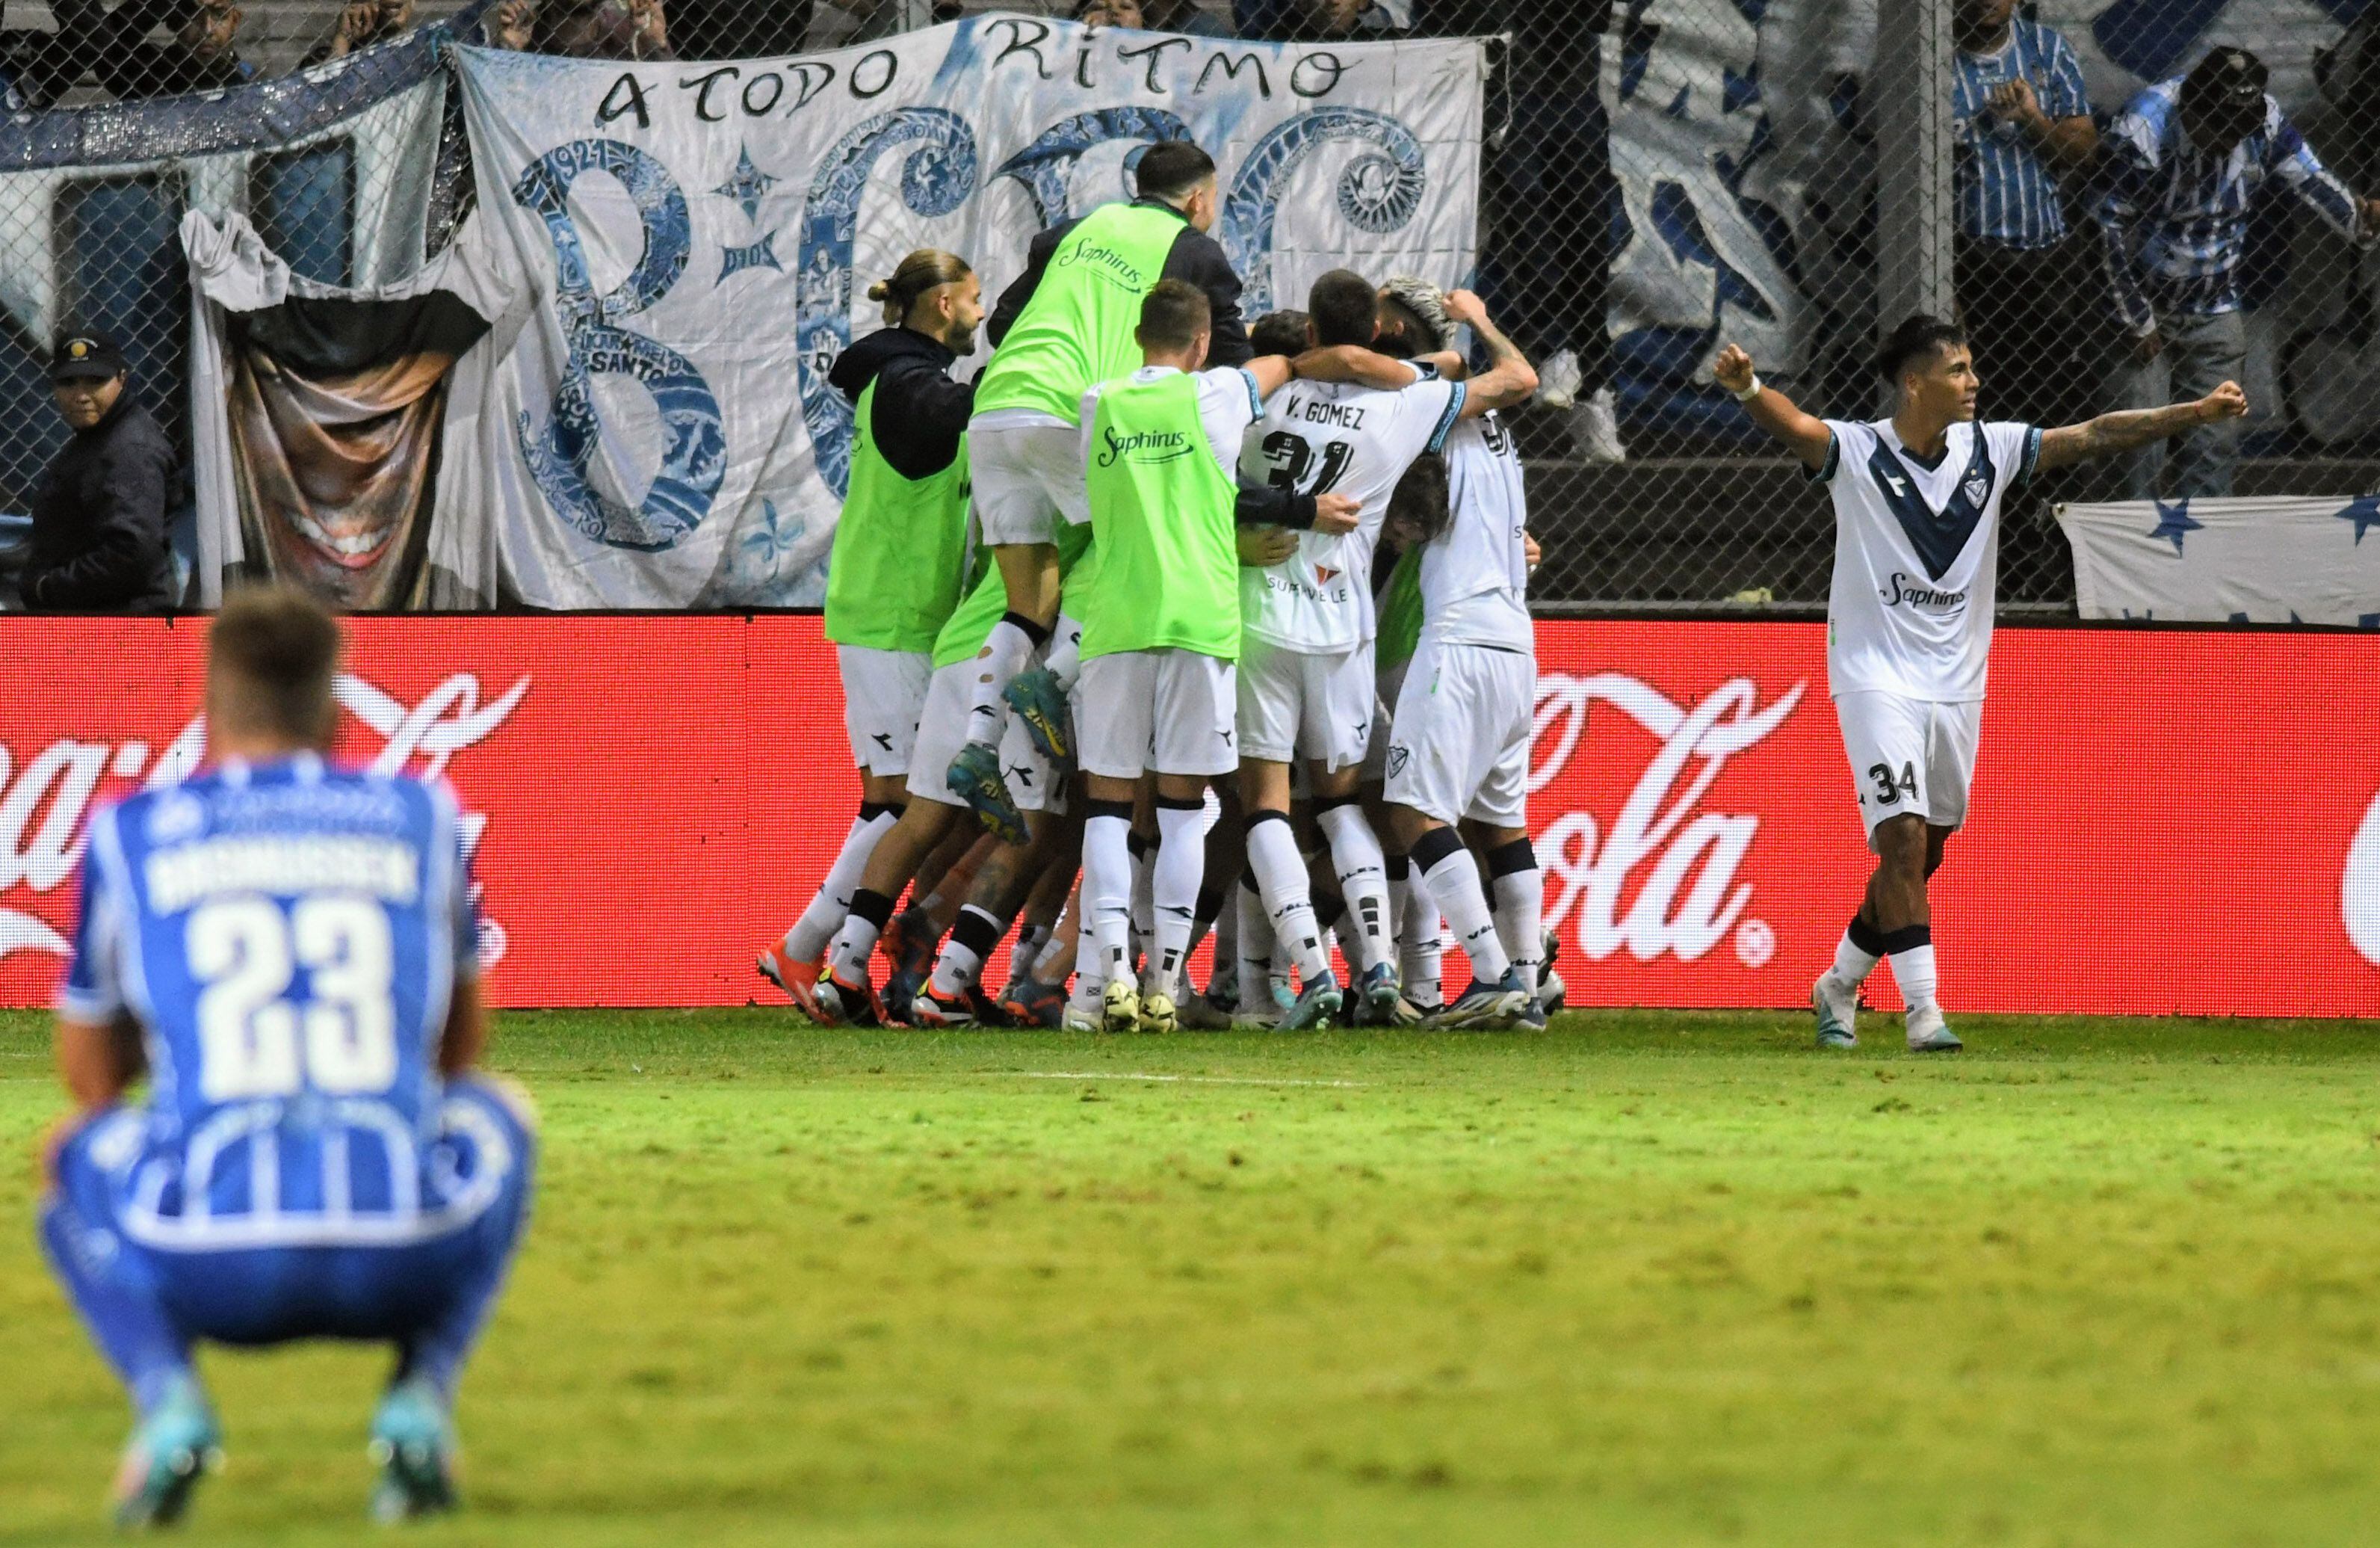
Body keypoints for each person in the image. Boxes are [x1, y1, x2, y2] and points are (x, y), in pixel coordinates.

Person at [37, 587, 535, 1527]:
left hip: (203, 1262)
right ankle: (421, 1399)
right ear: (339, 715)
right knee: (501, 1114)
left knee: (71, 1153)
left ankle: (169, 1404)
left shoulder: (130, 832)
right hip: (404, 1254)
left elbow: (94, 1083)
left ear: (209, 712)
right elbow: (459, 1053)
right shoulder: (420, 815)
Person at [1715, 315, 2245, 1052]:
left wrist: (2191, 412)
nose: (1973, 382)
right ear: (1914, 382)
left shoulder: (1990, 450)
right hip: (1874, 676)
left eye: (1970, 367)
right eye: (1958, 369)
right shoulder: (1861, 452)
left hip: (1956, 684)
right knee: (1899, 840)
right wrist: (1746, 388)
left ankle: (1836, 982)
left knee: (1923, 855)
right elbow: (1800, 428)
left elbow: (2092, 433)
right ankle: (1922, 1012)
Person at [1234, 274, 1536, 1029]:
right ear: (1377, 325)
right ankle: (1385, 968)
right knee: (1347, 805)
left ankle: (1305, 975)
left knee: (1268, 807)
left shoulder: (1255, 395)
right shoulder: (1405, 406)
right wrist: (1464, 334)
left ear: (1307, 329)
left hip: (1260, 617)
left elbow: (1206, 478)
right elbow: (1498, 379)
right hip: (1346, 634)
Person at [950, 140, 1252, 845]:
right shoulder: (1193, 251)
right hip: (1064, 407)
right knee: (1127, 538)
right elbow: (1228, 364)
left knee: (1029, 597)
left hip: (995, 407)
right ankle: (1051, 680)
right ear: (1200, 198)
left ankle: (977, 742)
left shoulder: (1067, 234)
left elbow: (1002, 323)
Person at [1069, 280, 1320, 1032]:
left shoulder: (1098, 402)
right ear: (1202, 342)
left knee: (1108, 811)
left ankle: (1112, 969)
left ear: (1138, 334)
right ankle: (1166, 985)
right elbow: (1279, 367)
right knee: (1183, 812)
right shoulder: (1215, 396)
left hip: (1114, 621)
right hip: (1199, 622)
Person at [757, 250, 983, 1019]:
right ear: (945, 305)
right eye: (977, 302)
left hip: (901, 613)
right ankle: (807, 944)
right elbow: (956, 416)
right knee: (896, 803)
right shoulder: (906, 384)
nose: (983, 319)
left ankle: (842, 945)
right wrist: (1025, 371)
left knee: (909, 800)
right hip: (890, 614)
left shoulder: (901, 376)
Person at [1370, 278, 1547, 1030]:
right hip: (1515, 642)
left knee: (1412, 808)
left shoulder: (1429, 403)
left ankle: (1489, 972)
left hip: (1461, 638)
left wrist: (1477, 317)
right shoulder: (1496, 429)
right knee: (1500, 823)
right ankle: (1530, 986)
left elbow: (1521, 376)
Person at [2097, 46, 2379, 498]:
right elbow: (2105, 226)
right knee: (2137, 446)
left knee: (2214, 448)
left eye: (2239, 130)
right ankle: (2129, 555)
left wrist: (2359, 222)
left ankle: (2205, 551)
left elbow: (2309, 176)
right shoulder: (2145, 128)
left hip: (2215, 302)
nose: (2230, 140)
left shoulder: (2261, 119)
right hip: (2144, 303)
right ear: (2192, 108)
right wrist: (2134, 318)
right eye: (2219, 129)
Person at [1950, 0, 2098, 431]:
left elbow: (2085, 153)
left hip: (2047, 257)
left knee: (2055, 404)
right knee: (1981, 405)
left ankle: (2053, 497)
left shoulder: (2045, 51)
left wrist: (2032, 119)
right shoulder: (1933, 64)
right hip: (1973, 261)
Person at [22, 333, 175, 613]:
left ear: (122, 379)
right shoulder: (98, 438)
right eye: (68, 382)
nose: (81, 395)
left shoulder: (129, 450)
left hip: (119, 630)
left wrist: (48, 587)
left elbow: (132, 553)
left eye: (95, 381)